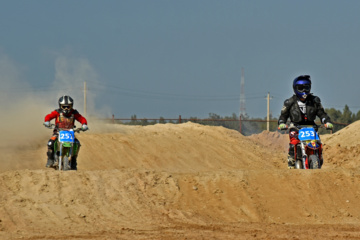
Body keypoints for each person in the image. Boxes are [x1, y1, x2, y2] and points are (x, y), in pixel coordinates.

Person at [278, 75, 333, 169]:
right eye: (300, 88)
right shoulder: (289, 102)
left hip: (311, 127)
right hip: (295, 127)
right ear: (295, 88)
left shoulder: (315, 101)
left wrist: (326, 121)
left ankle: (318, 157)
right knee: (293, 143)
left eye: (306, 87)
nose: (304, 90)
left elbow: (322, 114)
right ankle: (291, 162)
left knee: (318, 144)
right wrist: (282, 123)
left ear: (309, 87)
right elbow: (283, 116)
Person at [43, 95, 88, 170]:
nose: (66, 108)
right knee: (50, 143)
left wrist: (84, 124)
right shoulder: (57, 112)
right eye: (64, 107)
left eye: (68, 106)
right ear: (60, 106)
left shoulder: (74, 113)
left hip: (70, 133)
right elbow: (49, 116)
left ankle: (73, 160)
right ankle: (50, 160)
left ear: (71, 106)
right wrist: (47, 121)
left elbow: (81, 118)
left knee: (77, 143)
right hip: (58, 132)